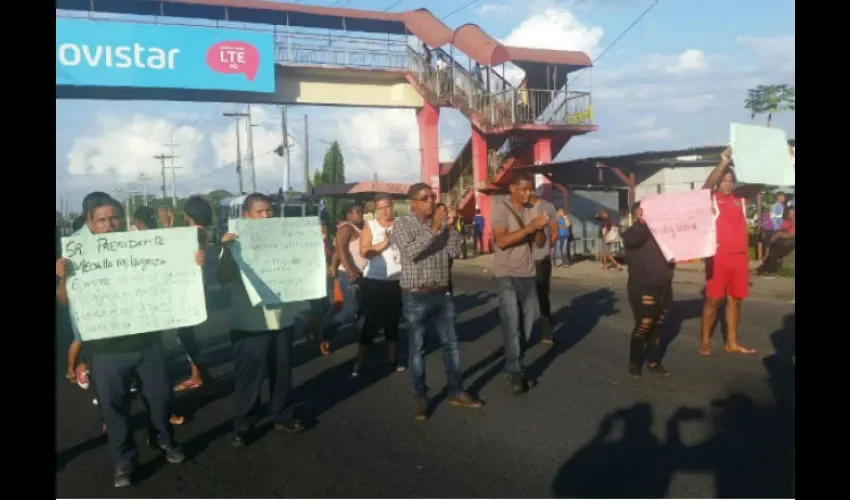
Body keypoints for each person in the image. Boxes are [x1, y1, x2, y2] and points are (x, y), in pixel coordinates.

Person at [56, 196, 192, 487]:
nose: (110, 224)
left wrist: (193, 262)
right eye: (102, 219)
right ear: (90, 223)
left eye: (115, 217)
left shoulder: (141, 245)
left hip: (148, 342)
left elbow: (172, 278)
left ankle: (163, 440)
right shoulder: (78, 257)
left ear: (123, 219)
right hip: (106, 350)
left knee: (160, 398)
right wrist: (63, 280)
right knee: (114, 409)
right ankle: (124, 462)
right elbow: (67, 303)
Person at [218, 193, 304, 447]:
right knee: (249, 376)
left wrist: (313, 244)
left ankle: (283, 414)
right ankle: (245, 423)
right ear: (247, 216)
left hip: (282, 318)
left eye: (269, 211)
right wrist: (225, 249)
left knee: (282, 372)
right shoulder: (234, 243)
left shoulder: (286, 239)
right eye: (260, 212)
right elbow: (223, 277)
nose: (266, 215)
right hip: (249, 322)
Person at [391, 183, 482, 419]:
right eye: (425, 198)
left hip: (442, 293)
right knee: (417, 347)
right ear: (413, 202)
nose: (431, 201)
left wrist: (451, 227)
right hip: (415, 294)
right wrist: (435, 227)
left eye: (432, 197)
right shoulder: (402, 224)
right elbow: (412, 253)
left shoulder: (441, 225)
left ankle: (456, 390)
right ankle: (420, 395)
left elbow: (454, 251)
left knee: (451, 344)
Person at [491, 173, 549, 393]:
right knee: (512, 324)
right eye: (524, 189)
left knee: (527, 326)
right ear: (513, 188)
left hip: (528, 273)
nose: (528, 193)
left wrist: (539, 228)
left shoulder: (531, 211)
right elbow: (502, 240)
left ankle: (512, 364)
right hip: (506, 274)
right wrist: (529, 228)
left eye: (531, 189)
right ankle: (515, 371)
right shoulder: (500, 208)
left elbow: (541, 243)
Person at [699, 146, 755, 356]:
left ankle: (731, 342)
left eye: (731, 180)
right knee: (714, 300)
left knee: (735, 300)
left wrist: (784, 160)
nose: (728, 184)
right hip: (717, 257)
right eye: (724, 180)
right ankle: (704, 340)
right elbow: (706, 187)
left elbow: (760, 183)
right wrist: (723, 162)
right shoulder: (711, 197)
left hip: (739, 257)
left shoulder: (740, 198)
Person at [621, 202, 674, 377]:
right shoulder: (633, 232)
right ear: (638, 215)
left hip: (664, 286)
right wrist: (645, 224)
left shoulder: (663, 232)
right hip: (642, 286)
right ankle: (634, 362)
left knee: (658, 326)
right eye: (645, 212)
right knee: (645, 323)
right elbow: (632, 239)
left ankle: (654, 361)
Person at [355, 194, 404, 376]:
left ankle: (392, 359)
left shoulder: (400, 224)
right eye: (380, 208)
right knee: (372, 322)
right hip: (375, 280)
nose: (385, 211)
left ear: (393, 207)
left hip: (397, 280)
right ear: (376, 210)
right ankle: (359, 360)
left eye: (387, 207)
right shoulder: (371, 226)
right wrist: (384, 244)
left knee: (393, 321)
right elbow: (364, 252)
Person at [174, 196, 215, 392]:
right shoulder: (203, 231)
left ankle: (201, 376)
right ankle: (198, 375)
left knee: (185, 335)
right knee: (186, 334)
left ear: (187, 214)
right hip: (197, 287)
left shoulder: (196, 233)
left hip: (192, 289)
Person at [321, 204, 367, 354]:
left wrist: (333, 266)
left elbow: (335, 252)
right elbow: (341, 249)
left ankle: (365, 340)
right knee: (350, 309)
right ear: (348, 215)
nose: (361, 214)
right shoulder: (346, 228)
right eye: (358, 212)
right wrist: (348, 269)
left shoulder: (358, 228)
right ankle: (326, 331)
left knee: (362, 309)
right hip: (349, 275)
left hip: (361, 274)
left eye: (362, 211)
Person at [529, 190, 559, 344]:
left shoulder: (547, 207)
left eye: (528, 190)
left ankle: (547, 333)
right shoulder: (520, 208)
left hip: (542, 259)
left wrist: (547, 248)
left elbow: (555, 231)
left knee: (542, 296)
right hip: (524, 260)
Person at [756, 208, 795, 276]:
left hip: (789, 243)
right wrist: (777, 236)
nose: (792, 215)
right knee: (771, 250)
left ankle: (772, 272)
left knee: (773, 253)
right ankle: (761, 270)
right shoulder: (785, 222)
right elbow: (777, 234)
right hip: (779, 242)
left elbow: (791, 235)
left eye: (793, 214)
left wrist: (780, 234)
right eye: (791, 214)